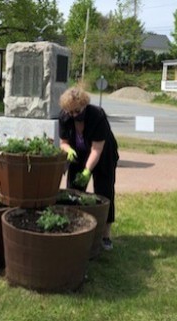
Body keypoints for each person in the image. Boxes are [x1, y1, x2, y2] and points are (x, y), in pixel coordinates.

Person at [58, 86, 119, 250]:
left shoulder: (97, 115)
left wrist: (87, 170)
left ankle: (105, 235)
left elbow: (96, 150)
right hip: (78, 153)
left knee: (104, 192)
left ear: (84, 105)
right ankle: (74, 227)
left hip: (104, 154)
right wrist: (68, 149)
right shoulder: (65, 116)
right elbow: (63, 142)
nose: (74, 115)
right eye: (70, 112)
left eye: (77, 111)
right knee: (73, 191)